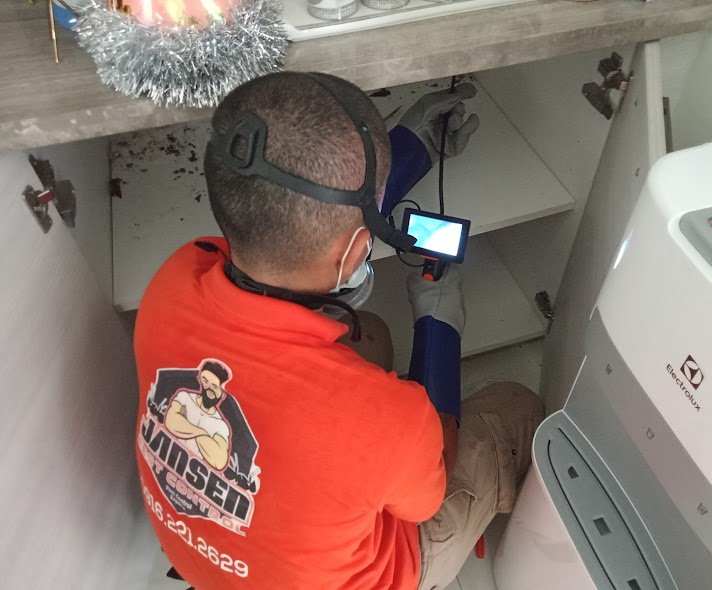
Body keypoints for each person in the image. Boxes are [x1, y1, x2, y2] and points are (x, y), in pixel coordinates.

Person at [134, 71, 544, 590]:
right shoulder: (384, 416)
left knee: (367, 333)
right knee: (515, 407)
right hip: (370, 565)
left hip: (207, 557)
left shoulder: (175, 278)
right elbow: (427, 497)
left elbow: (299, 230)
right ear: (354, 251)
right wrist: (438, 321)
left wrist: (411, 149)